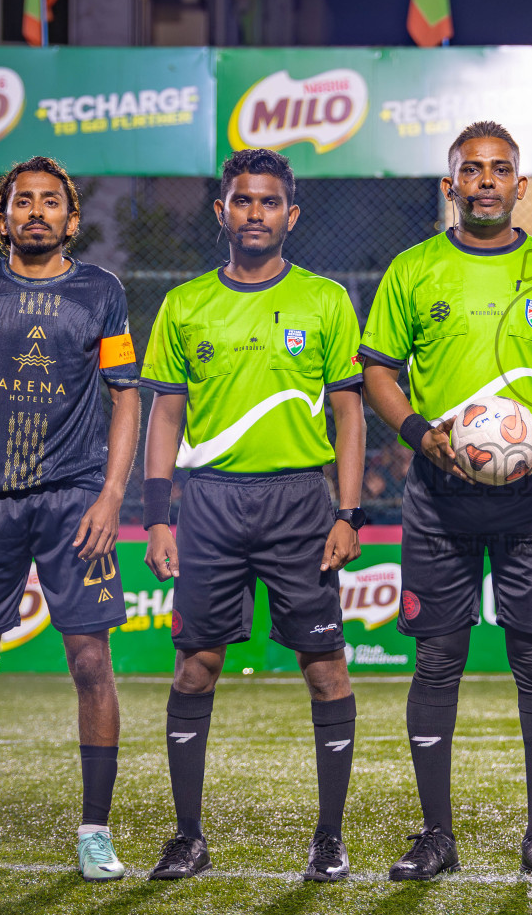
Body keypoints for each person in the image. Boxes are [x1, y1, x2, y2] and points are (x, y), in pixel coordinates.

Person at [359, 121, 532, 880]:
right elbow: (379, 374)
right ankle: (436, 835)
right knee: (437, 661)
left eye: (501, 170)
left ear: (520, 186)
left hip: (531, 498)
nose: (487, 181)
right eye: (473, 170)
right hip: (436, 495)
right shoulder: (413, 268)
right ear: (450, 185)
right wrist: (421, 433)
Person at [0, 156, 141, 882]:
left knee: (91, 661)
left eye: (50, 203)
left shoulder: (101, 291)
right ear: (2, 216)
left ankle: (95, 833)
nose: (35, 212)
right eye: (22, 202)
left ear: (71, 220)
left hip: (75, 502)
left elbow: (126, 394)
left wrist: (111, 496)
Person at [140, 148, 366, 882]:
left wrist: (349, 511)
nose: (256, 213)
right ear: (222, 212)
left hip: (302, 504)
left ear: (290, 215)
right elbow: (165, 414)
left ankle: (328, 839)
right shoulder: (184, 304)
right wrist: (157, 516)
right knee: (196, 666)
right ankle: (188, 837)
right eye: (243, 201)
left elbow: (349, 413)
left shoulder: (325, 300)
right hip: (207, 507)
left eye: (270, 202)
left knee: (326, 670)